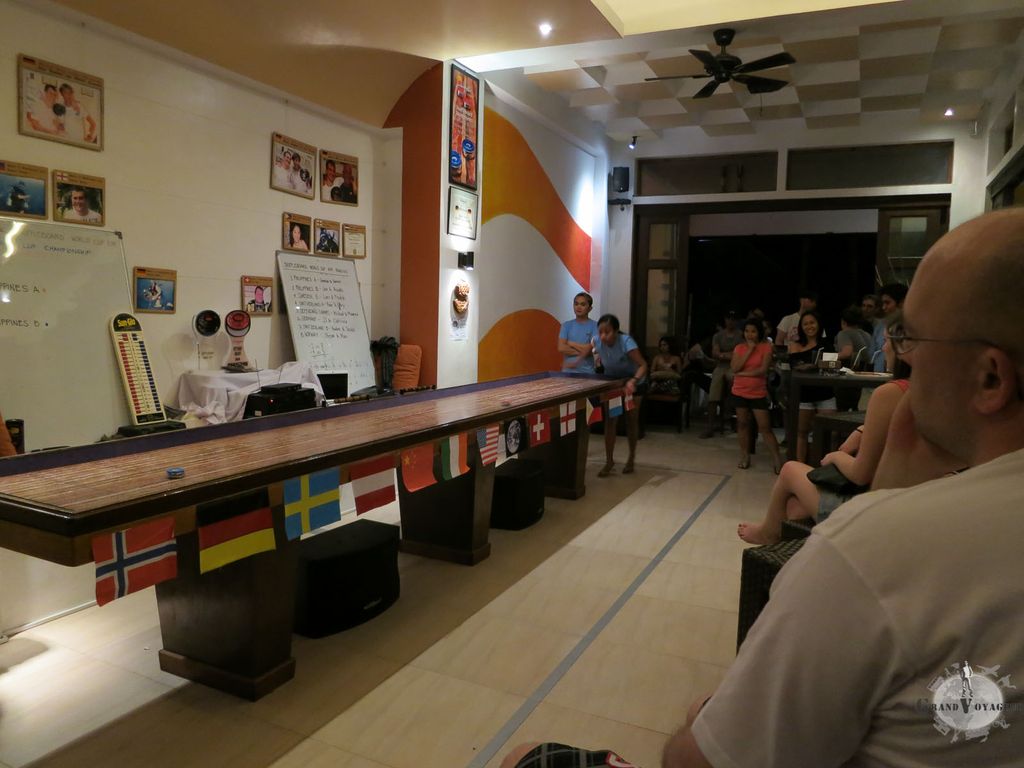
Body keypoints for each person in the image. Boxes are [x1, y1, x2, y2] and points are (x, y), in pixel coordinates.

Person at [508, 207, 1024, 768]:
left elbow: (698, 760)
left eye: (911, 336)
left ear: (990, 377)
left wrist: (699, 716)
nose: (900, 357)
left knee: (525, 757)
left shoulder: (877, 554)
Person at [737, 313, 912, 544]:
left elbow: (861, 474)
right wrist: (862, 431)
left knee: (790, 470)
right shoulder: (924, 393)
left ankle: (769, 534)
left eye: (887, 340)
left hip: (871, 509)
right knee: (795, 507)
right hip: (902, 504)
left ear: (905, 347)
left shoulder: (888, 393)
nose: (883, 346)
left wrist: (837, 457)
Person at [592, 314, 647, 477]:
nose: (603, 336)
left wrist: (633, 381)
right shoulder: (597, 342)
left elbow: (643, 365)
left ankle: (631, 458)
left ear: (616, 331)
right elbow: (589, 356)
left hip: (634, 382)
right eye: (600, 332)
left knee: (631, 419)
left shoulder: (626, 342)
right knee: (610, 421)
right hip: (614, 383)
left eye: (607, 332)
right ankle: (609, 461)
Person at [729, 318, 782, 472]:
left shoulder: (766, 347)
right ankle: (745, 456)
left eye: (753, 331)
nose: (750, 335)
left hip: (758, 392)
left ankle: (777, 459)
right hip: (739, 391)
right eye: (747, 331)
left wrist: (742, 373)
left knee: (765, 427)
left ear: (759, 332)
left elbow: (763, 371)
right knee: (742, 424)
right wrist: (750, 350)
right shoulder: (739, 348)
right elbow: (734, 367)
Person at [788, 308, 835, 463]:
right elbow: (795, 365)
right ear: (801, 327)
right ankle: (799, 465)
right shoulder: (795, 345)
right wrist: (817, 365)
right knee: (801, 432)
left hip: (825, 393)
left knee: (826, 432)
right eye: (805, 323)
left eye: (812, 322)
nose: (809, 326)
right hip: (803, 394)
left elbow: (833, 365)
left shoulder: (826, 344)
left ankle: (822, 465)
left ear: (818, 324)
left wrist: (813, 366)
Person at [700, 311, 743, 438]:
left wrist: (724, 354)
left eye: (733, 319)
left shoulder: (741, 336)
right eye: (729, 318)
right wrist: (728, 354)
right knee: (714, 392)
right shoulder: (718, 336)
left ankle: (731, 418)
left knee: (733, 383)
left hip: (735, 366)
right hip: (720, 366)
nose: (731, 321)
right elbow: (715, 353)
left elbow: (739, 354)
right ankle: (710, 427)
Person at [557, 292, 599, 373]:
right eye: (576, 304)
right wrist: (584, 351)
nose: (578, 307)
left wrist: (571, 343)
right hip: (567, 372)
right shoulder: (566, 325)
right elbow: (561, 348)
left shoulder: (595, 326)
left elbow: (592, 350)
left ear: (590, 308)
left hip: (587, 372)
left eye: (583, 304)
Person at [871, 282, 908, 371]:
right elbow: (872, 353)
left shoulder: (911, 328)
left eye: (887, 303)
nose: (884, 307)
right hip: (878, 377)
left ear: (902, 302)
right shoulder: (880, 327)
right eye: (883, 303)